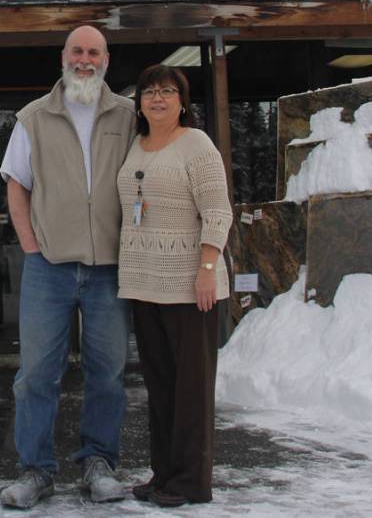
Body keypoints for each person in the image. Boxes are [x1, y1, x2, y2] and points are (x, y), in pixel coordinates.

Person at [0, 25, 137, 509]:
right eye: (77, 50)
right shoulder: (34, 117)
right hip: (49, 267)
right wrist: (32, 247)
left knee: (108, 373)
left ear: (106, 60)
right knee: (36, 374)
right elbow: (17, 186)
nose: (85, 59)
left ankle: (99, 463)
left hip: (109, 270)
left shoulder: (128, 114)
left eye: (93, 52)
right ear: (63, 56)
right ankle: (36, 471)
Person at [117, 65, 232, 508]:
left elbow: (217, 211)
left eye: (168, 91)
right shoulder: (136, 145)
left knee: (191, 390)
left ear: (183, 101)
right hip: (145, 283)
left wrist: (207, 267)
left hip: (189, 286)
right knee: (161, 386)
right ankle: (163, 474)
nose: (158, 98)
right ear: (140, 102)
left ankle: (190, 482)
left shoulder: (196, 145)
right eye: (149, 91)